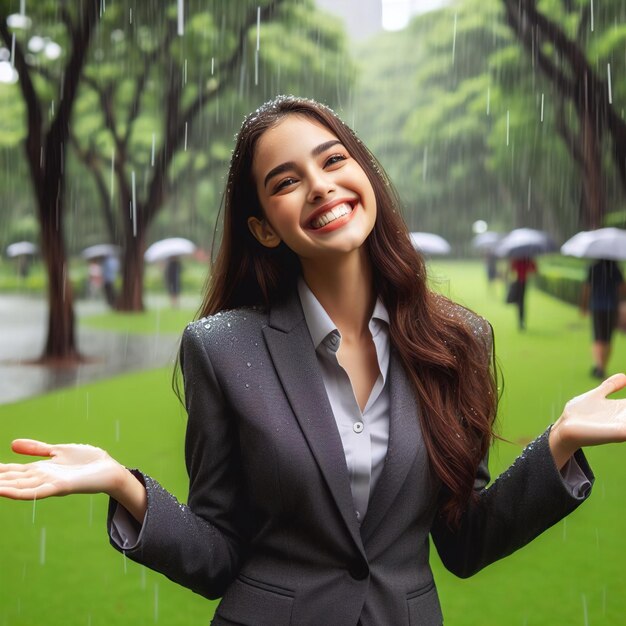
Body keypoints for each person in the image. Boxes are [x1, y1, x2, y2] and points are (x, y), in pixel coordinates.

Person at [1, 96, 626, 626]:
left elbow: (464, 540)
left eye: (332, 160)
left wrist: (561, 442)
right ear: (266, 227)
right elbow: (218, 555)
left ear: (365, 177)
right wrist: (123, 484)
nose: (320, 184)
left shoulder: (460, 341)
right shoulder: (220, 349)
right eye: (286, 181)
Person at [580, 258, 626, 379]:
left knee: (598, 338)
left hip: (597, 307)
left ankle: (599, 366)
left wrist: (584, 305)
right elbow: (622, 288)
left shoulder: (593, 268)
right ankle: (603, 367)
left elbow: (586, 288)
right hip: (611, 307)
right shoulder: (615, 269)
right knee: (608, 339)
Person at [509, 255, 537, 330]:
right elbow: (534, 270)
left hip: (519, 281)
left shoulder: (517, 258)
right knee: (521, 302)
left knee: (520, 303)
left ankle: (521, 321)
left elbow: (512, 268)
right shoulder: (527, 258)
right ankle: (521, 321)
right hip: (523, 282)